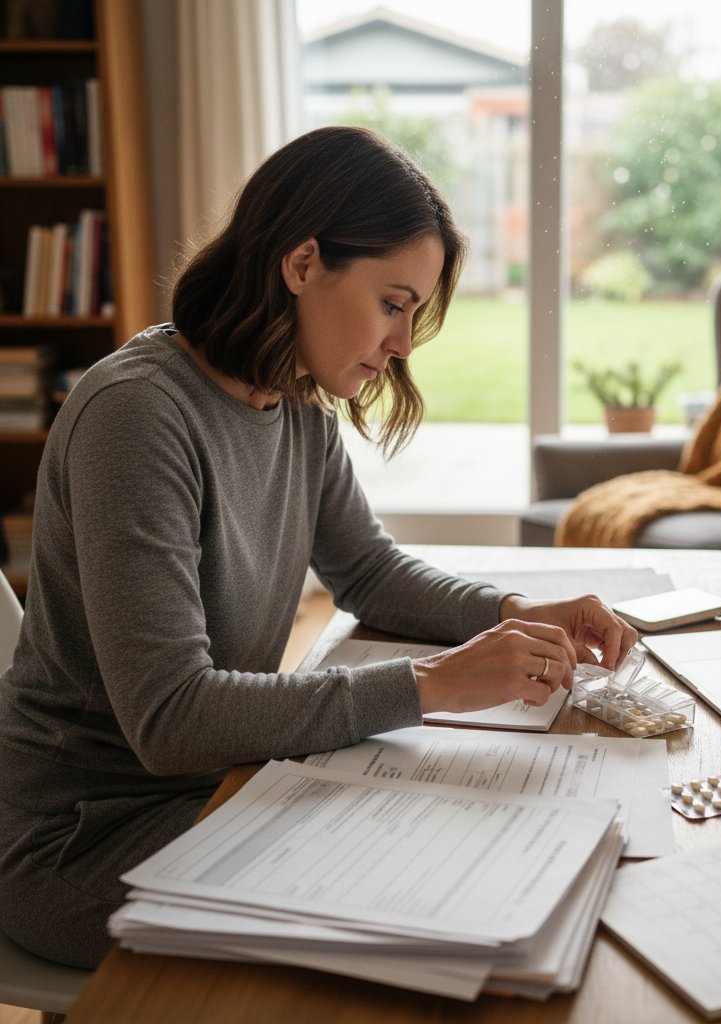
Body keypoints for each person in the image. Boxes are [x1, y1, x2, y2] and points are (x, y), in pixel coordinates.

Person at [0, 126, 638, 969]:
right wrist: (434, 684)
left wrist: (513, 612)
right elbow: (171, 718)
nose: (404, 344)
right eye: (393, 303)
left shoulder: (292, 401)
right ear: (302, 264)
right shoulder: (138, 416)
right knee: (422, 901)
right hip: (85, 837)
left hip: (221, 784)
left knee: (457, 861)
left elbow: (366, 570)